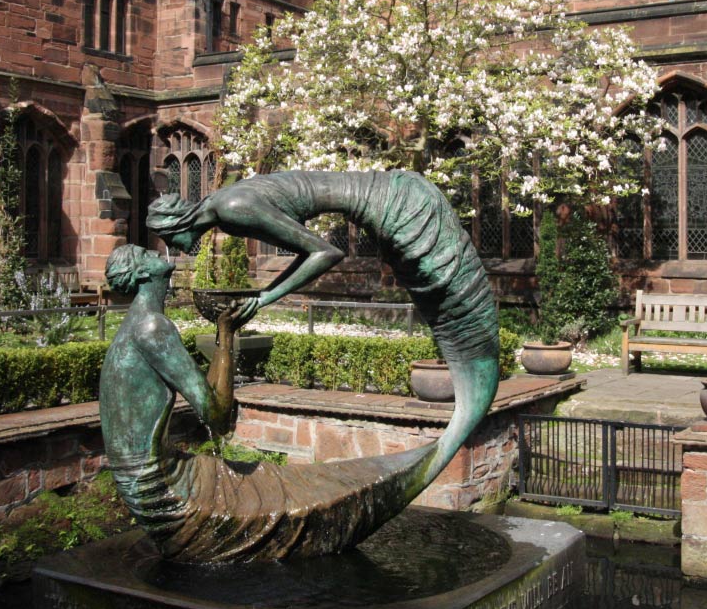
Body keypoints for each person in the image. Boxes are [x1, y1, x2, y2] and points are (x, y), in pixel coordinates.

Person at [146, 169, 500, 485]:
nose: (171, 248)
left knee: (452, 306)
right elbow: (310, 250)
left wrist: (265, 297)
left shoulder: (233, 209)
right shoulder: (226, 205)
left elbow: (325, 253)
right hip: (396, 196)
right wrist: (263, 294)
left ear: (174, 225)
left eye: (165, 238)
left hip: (401, 206)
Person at [100, 240, 434, 562]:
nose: (156, 250)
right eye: (146, 252)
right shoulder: (151, 327)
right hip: (157, 488)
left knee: (276, 480)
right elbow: (217, 416)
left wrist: (226, 332)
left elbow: (210, 402)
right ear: (142, 274)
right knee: (275, 494)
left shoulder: (140, 325)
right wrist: (228, 339)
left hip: (152, 473)